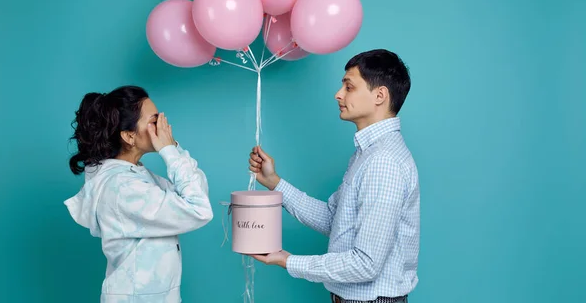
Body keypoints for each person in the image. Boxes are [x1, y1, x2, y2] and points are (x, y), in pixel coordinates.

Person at [248, 49, 419, 303]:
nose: (338, 94)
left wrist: (288, 261)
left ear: (380, 95)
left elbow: (366, 264)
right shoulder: (368, 154)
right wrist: (274, 183)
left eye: (349, 87)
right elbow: (335, 219)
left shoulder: (383, 162)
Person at [64, 85, 213, 303]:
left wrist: (174, 148)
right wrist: (168, 151)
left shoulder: (137, 177)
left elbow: (195, 194)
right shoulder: (123, 187)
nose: (163, 127)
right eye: (154, 122)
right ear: (128, 136)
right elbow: (199, 209)